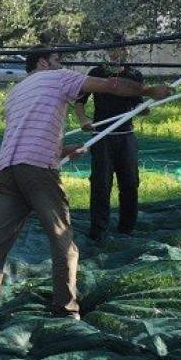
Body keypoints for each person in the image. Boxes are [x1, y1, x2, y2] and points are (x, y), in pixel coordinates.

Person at [0, 47, 171, 336]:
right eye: (57, 60)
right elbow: (111, 85)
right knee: (63, 243)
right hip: (38, 171)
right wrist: (149, 89)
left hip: (7, 171)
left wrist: (60, 150)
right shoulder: (57, 78)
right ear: (42, 62)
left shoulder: (16, 92)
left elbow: (26, 132)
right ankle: (65, 310)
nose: (62, 64)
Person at [73, 44, 147, 243]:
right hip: (102, 135)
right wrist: (83, 120)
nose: (119, 54)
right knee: (101, 184)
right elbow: (79, 100)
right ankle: (98, 231)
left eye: (123, 50)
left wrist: (143, 108)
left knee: (130, 183)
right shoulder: (97, 73)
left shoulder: (134, 75)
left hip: (126, 135)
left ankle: (127, 229)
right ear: (109, 52)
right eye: (115, 50)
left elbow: (137, 102)